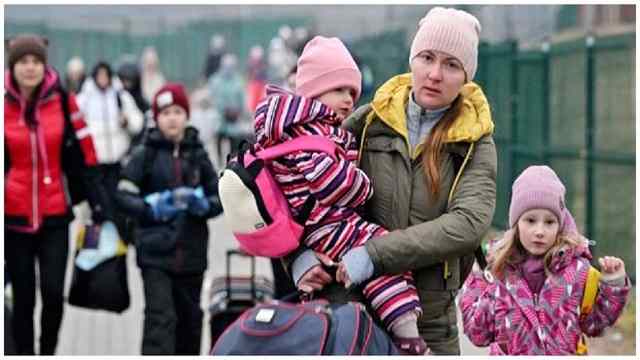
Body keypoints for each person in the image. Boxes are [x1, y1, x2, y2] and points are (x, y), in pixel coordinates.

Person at [292, 7, 497, 355]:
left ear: (466, 76)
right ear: (412, 60)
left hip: (428, 320)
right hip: (350, 311)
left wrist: (374, 254)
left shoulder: (475, 141)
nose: (434, 74)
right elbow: (294, 186)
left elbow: (468, 223)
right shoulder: (368, 122)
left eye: (451, 64)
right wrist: (298, 258)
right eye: (427, 58)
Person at [254, 36, 426, 354]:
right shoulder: (309, 134)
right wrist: (364, 185)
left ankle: (404, 327)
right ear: (313, 92)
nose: (348, 99)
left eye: (352, 92)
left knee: (381, 258)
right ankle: (406, 331)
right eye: (339, 90)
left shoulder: (301, 128)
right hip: (327, 224)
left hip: (320, 225)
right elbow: (329, 182)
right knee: (384, 255)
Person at [4, 34, 112, 355]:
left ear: (44, 64)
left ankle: (47, 351)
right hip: (13, 217)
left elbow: (86, 153)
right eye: (23, 62)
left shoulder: (64, 101)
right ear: (13, 66)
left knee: (52, 293)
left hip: (55, 213)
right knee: (23, 297)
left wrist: (99, 202)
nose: (30, 68)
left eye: (36, 61)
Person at [459, 165, 630, 355]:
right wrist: (479, 280)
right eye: (530, 220)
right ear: (516, 224)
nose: (539, 231)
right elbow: (478, 335)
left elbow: (595, 325)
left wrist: (613, 284)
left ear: (561, 224)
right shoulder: (497, 270)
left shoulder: (578, 270)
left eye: (549, 222)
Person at [115, 83, 223, 355]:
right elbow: (123, 196)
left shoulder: (197, 153)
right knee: (160, 321)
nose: (172, 118)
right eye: (165, 113)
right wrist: (150, 208)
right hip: (154, 255)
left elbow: (220, 197)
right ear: (156, 118)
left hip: (192, 256)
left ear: (186, 115)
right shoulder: (145, 154)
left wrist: (204, 205)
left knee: (190, 322)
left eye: (177, 111)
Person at [77, 61, 144, 242]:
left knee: (116, 207)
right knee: (94, 209)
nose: (103, 79)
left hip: (117, 161)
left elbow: (138, 122)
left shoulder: (120, 95)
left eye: (106, 75)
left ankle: (117, 249)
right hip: (93, 162)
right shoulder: (85, 97)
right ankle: (91, 253)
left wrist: (126, 122)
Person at [208, 53, 246, 166]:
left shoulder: (238, 80)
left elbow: (242, 99)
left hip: (233, 118)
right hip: (220, 118)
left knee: (234, 141)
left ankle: (232, 163)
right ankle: (219, 162)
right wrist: (223, 110)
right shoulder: (215, 80)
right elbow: (213, 98)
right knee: (219, 139)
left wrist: (238, 112)